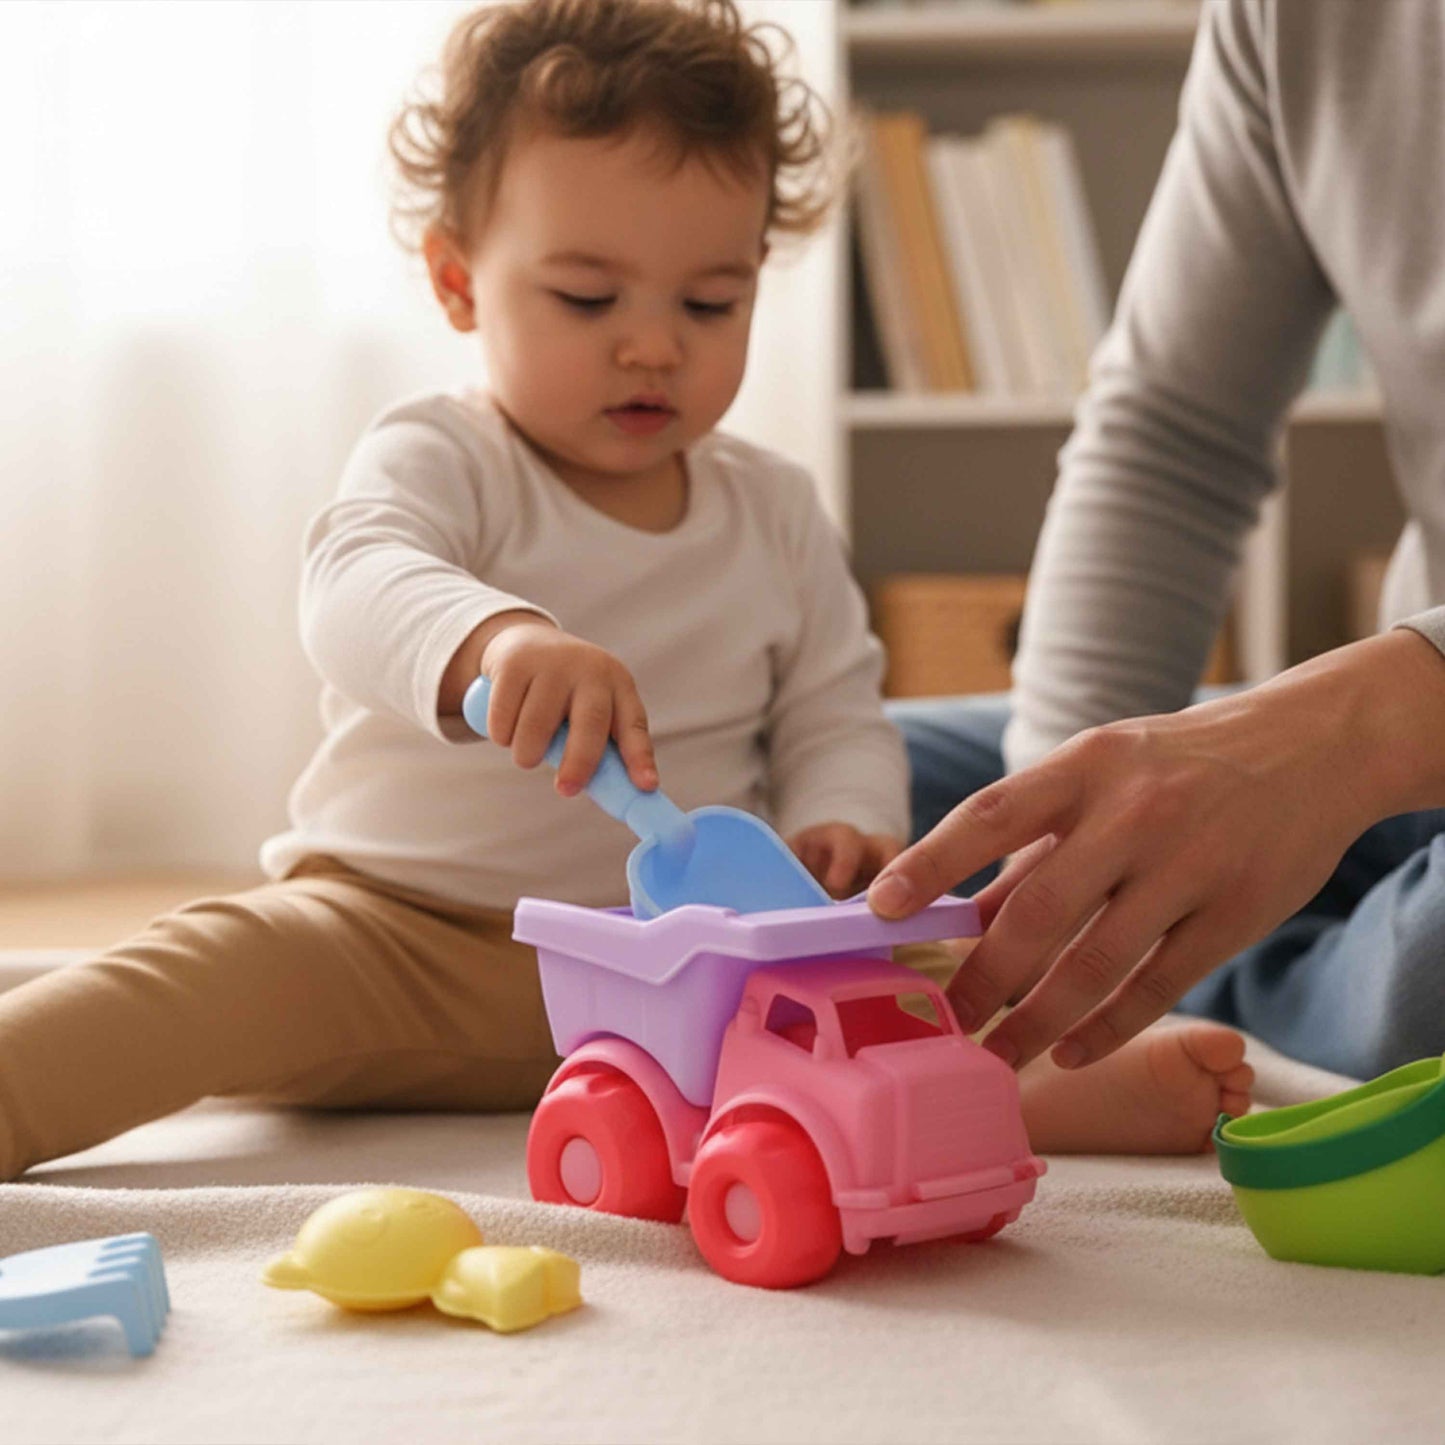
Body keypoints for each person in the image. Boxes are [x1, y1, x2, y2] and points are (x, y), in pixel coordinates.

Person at [0, 0, 1251, 1185]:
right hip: (395, 937)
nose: (652, 341)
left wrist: (843, 814)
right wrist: (492, 637)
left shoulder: (772, 507)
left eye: (711, 300)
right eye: (586, 297)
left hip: (699, 967)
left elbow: (832, 705)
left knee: (924, 987)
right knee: (190, 983)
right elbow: (352, 583)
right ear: (455, 281)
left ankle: (1066, 1082)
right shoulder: (443, 452)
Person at [869, 0, 1445, 1088]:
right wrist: (1064, 835)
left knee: (1430, 977)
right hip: (1375, 759)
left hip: (1389, 719)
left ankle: (1214, 998)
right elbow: (1171, 431)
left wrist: (1345, 729)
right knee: (820, 779)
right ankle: (1264, 947)